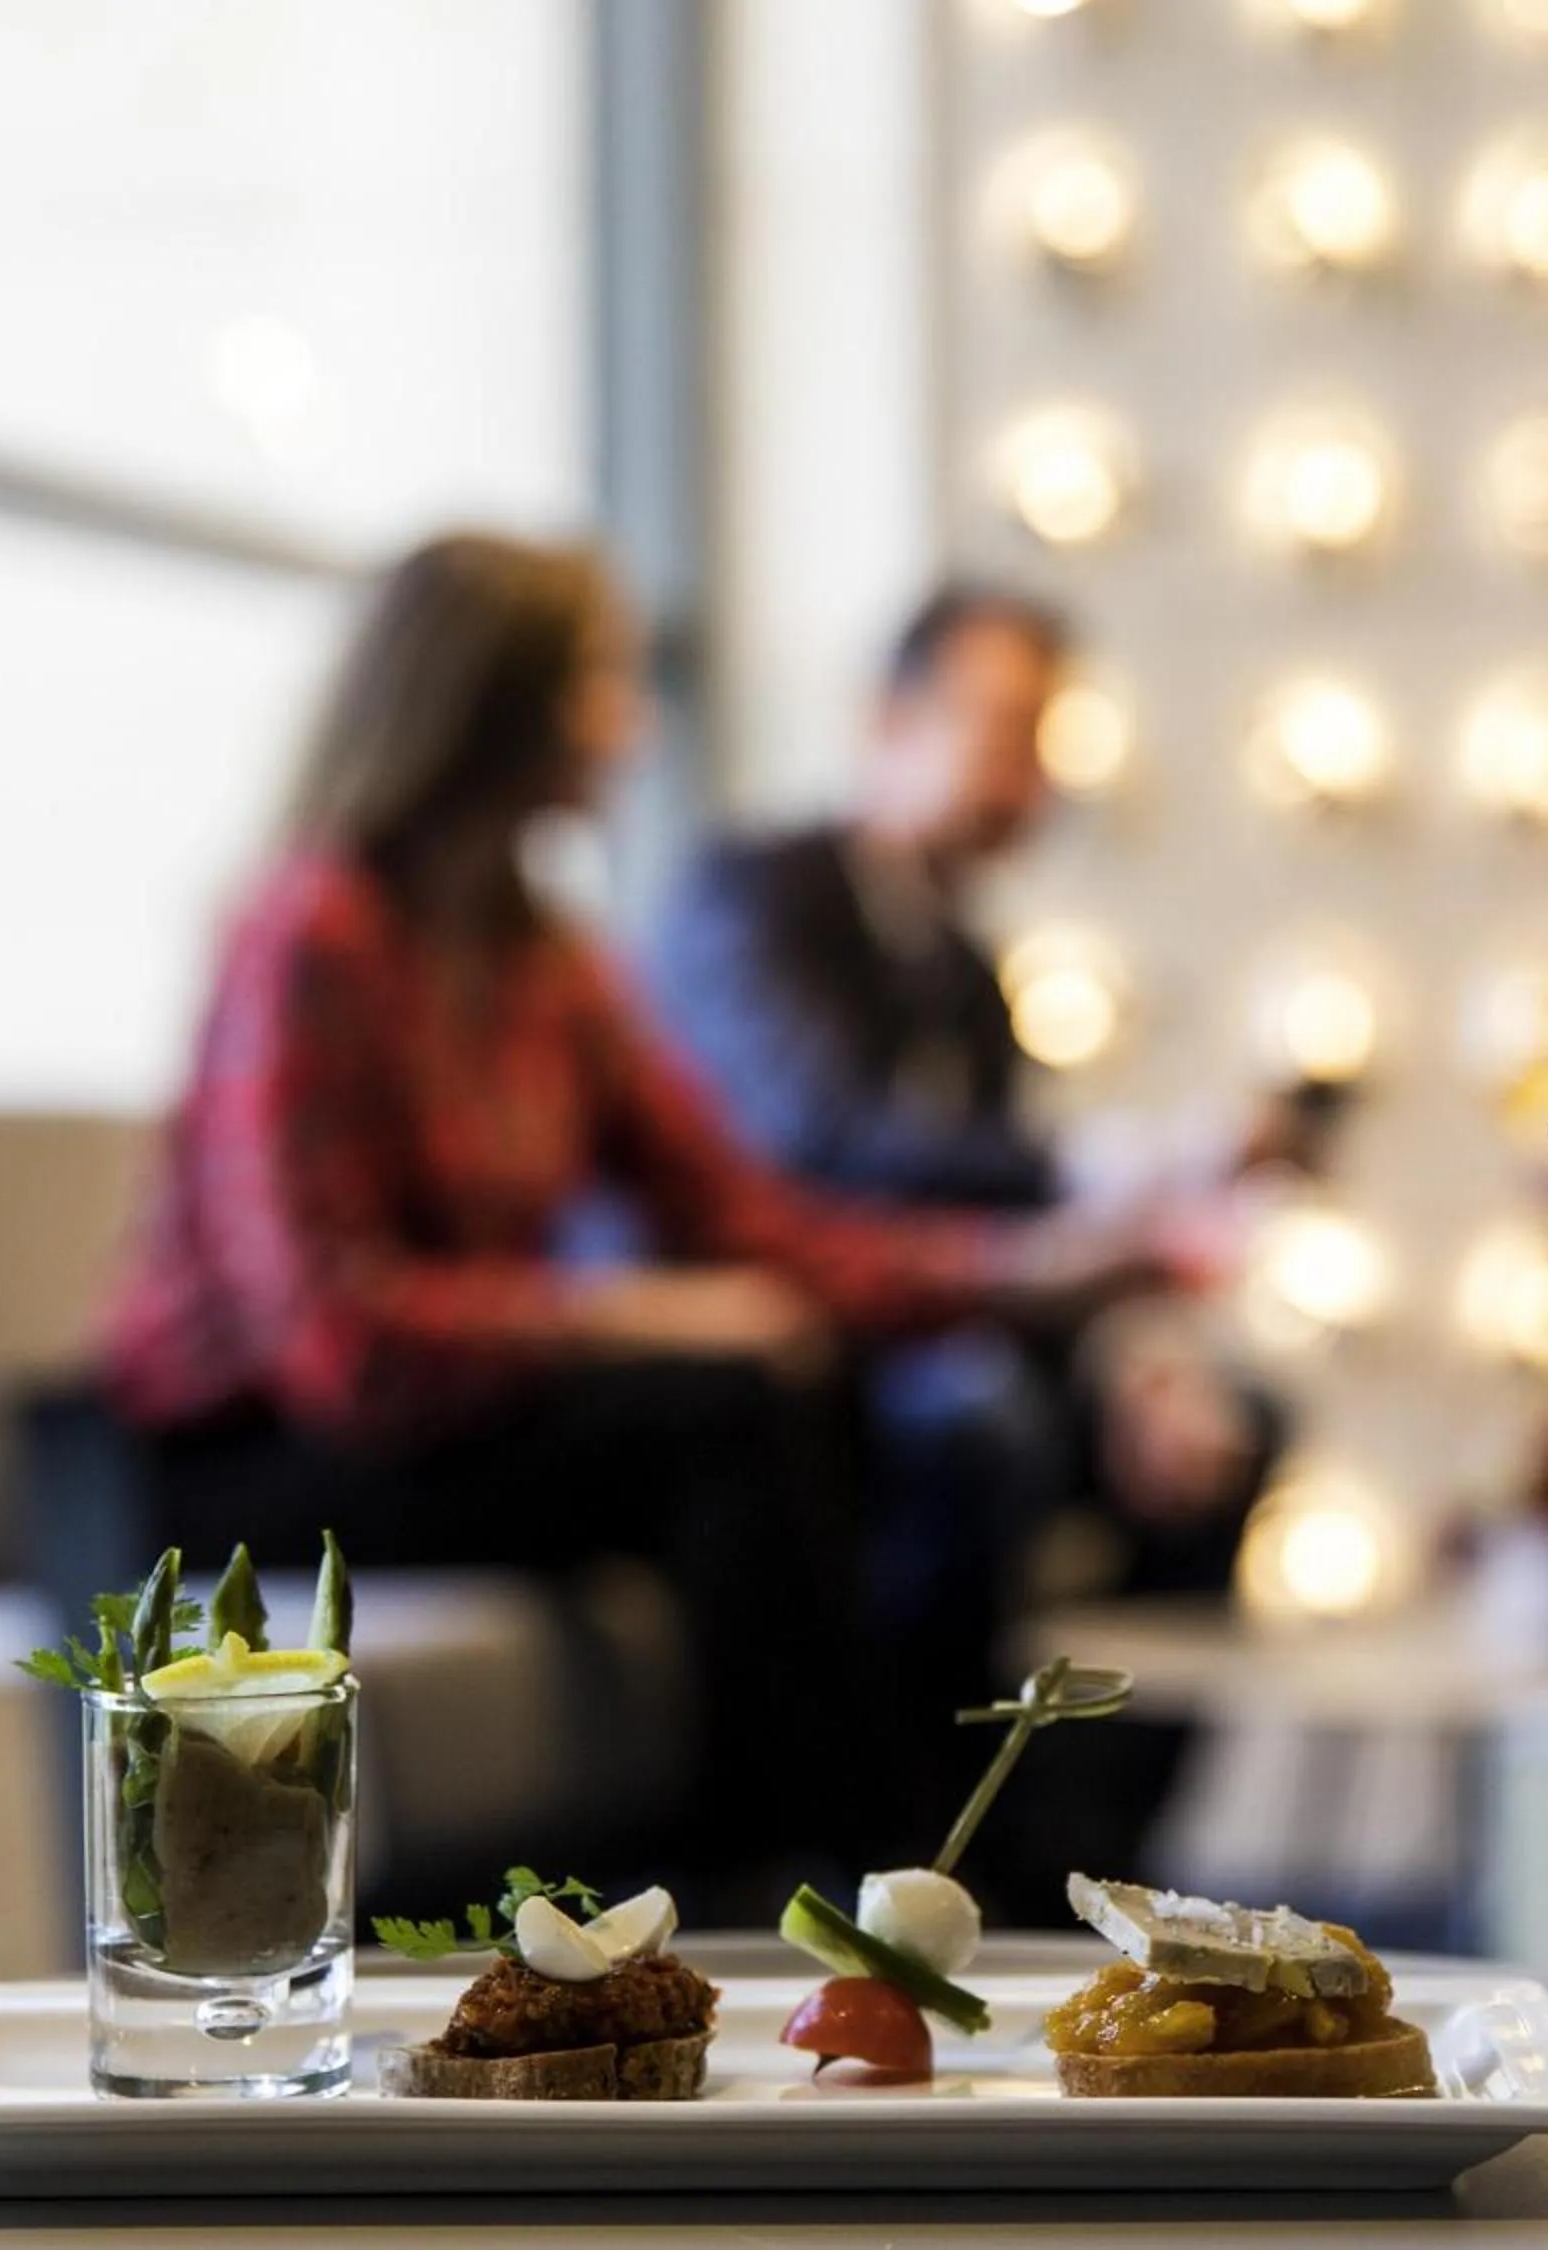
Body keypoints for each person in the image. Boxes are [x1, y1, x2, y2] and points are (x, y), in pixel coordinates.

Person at [99, 535, 1164, 1897]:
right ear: (499, 703)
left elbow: (749, 1224)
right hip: (244, 1454)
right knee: (727, 1411)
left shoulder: (546, 963)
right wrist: (620, 1312)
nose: (635, 721)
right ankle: (831, 1876)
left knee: (790, 1380)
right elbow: (332, 1336)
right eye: (605, 682)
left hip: (437, 1418)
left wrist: (1025, 1272)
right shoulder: (311, 933)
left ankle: (832, 1874)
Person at [647, 587, 1293, 1881]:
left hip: (945, 1319)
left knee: (1239, 1422)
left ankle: (1097, 1855)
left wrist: (1142, 1361)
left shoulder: (966, 967)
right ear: (892, 719)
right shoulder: (752, 898)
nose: (1033, 776)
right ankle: (937, 1862)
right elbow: (824, 1139)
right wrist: (1122, 1159)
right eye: (1009, 728)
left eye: (1046, 738)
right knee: (983, 1420)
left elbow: (1015, 1225)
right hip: (792, 1338)